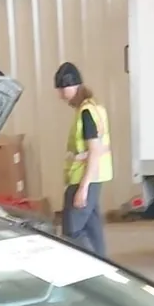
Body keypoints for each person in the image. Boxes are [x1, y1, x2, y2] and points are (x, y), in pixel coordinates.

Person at [54, 62, 112, 256]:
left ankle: (89, 268)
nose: (61, 95)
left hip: (83, 178)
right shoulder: (95, 108)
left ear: (74, 85)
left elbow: (94, 150)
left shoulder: (86, 113)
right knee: (93, 231)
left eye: (62, 89)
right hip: (94, 177)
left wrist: (83, 188)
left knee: (72, 232)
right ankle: (104, 266)